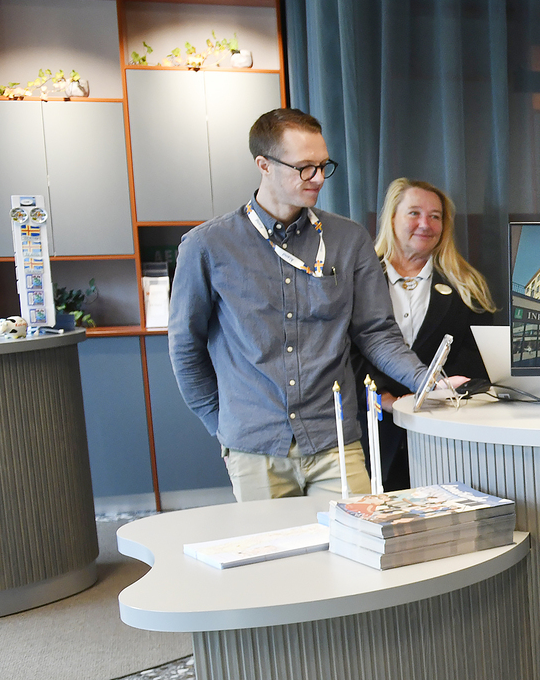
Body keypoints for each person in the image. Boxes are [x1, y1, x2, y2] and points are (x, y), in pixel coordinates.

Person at [170, 108, 457, 501]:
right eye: (305, 167)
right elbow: (185, 347)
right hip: (255, 447)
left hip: (335, 440)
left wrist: (428, 381)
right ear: (264, 165)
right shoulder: (207, 246)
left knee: (357, 537)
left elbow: (376, 333)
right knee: (275, 544)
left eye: (323, 166)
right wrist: (219, 422)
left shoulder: (349, 240)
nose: (318, 178)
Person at [355, 178, 498, 491]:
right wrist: (384, 399)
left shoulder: (467, 286)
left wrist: (435, 397)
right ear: (392, 217)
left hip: (442, 440)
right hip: (371, 436)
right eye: (414, 213)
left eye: (435, 216)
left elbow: (479, 362)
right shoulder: (358, 280)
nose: (425, 224)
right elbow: (343, 352)